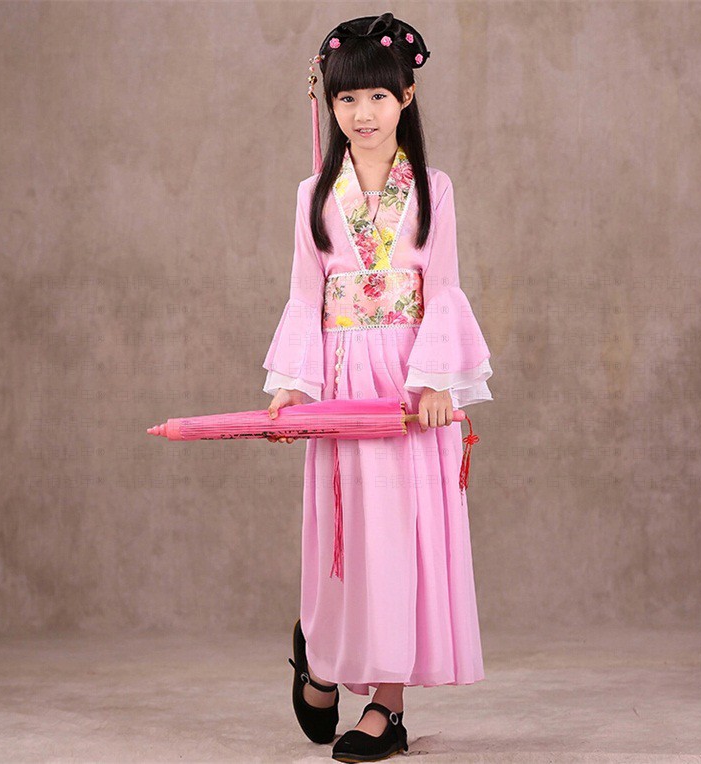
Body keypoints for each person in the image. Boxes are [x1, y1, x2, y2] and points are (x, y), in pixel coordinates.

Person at [261, 12, 494, 762]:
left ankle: (386, 707)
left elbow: (442, 285)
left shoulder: (433, 188)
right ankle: (321, 654)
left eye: (378, 97)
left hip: (407, 382)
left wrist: (436, 380)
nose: (363, 114)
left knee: (400, 539)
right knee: (345, 535)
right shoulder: (313, 193)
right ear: (328, 104)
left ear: (407, 97)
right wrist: (292, 384)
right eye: (347, 99)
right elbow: (306, 294)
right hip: (340, 379)